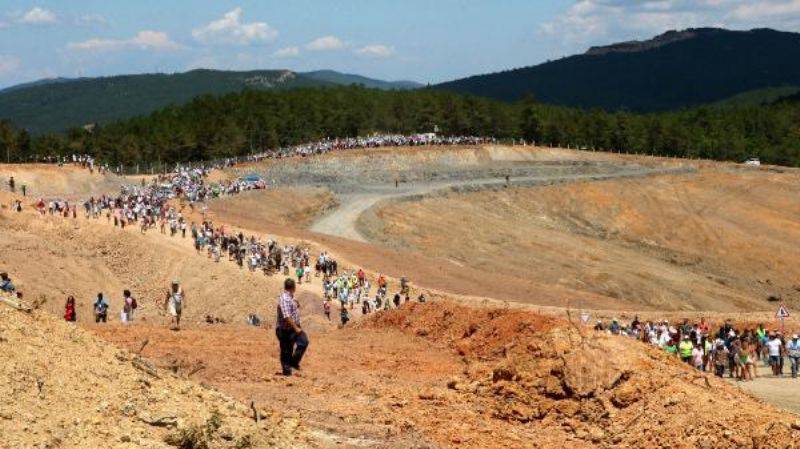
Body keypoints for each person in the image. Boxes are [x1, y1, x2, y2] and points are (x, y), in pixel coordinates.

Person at [276, 278, 308, 376]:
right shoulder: (285, 299)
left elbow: (291, 310)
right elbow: (287, 316)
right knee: (286, 350)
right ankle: (286, 372)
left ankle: (293, 363)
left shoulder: (290, 297)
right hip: (285, 329)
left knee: (303, 341)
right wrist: (296, 328)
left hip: (293, 328)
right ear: (293, 287)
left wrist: (296, 304)